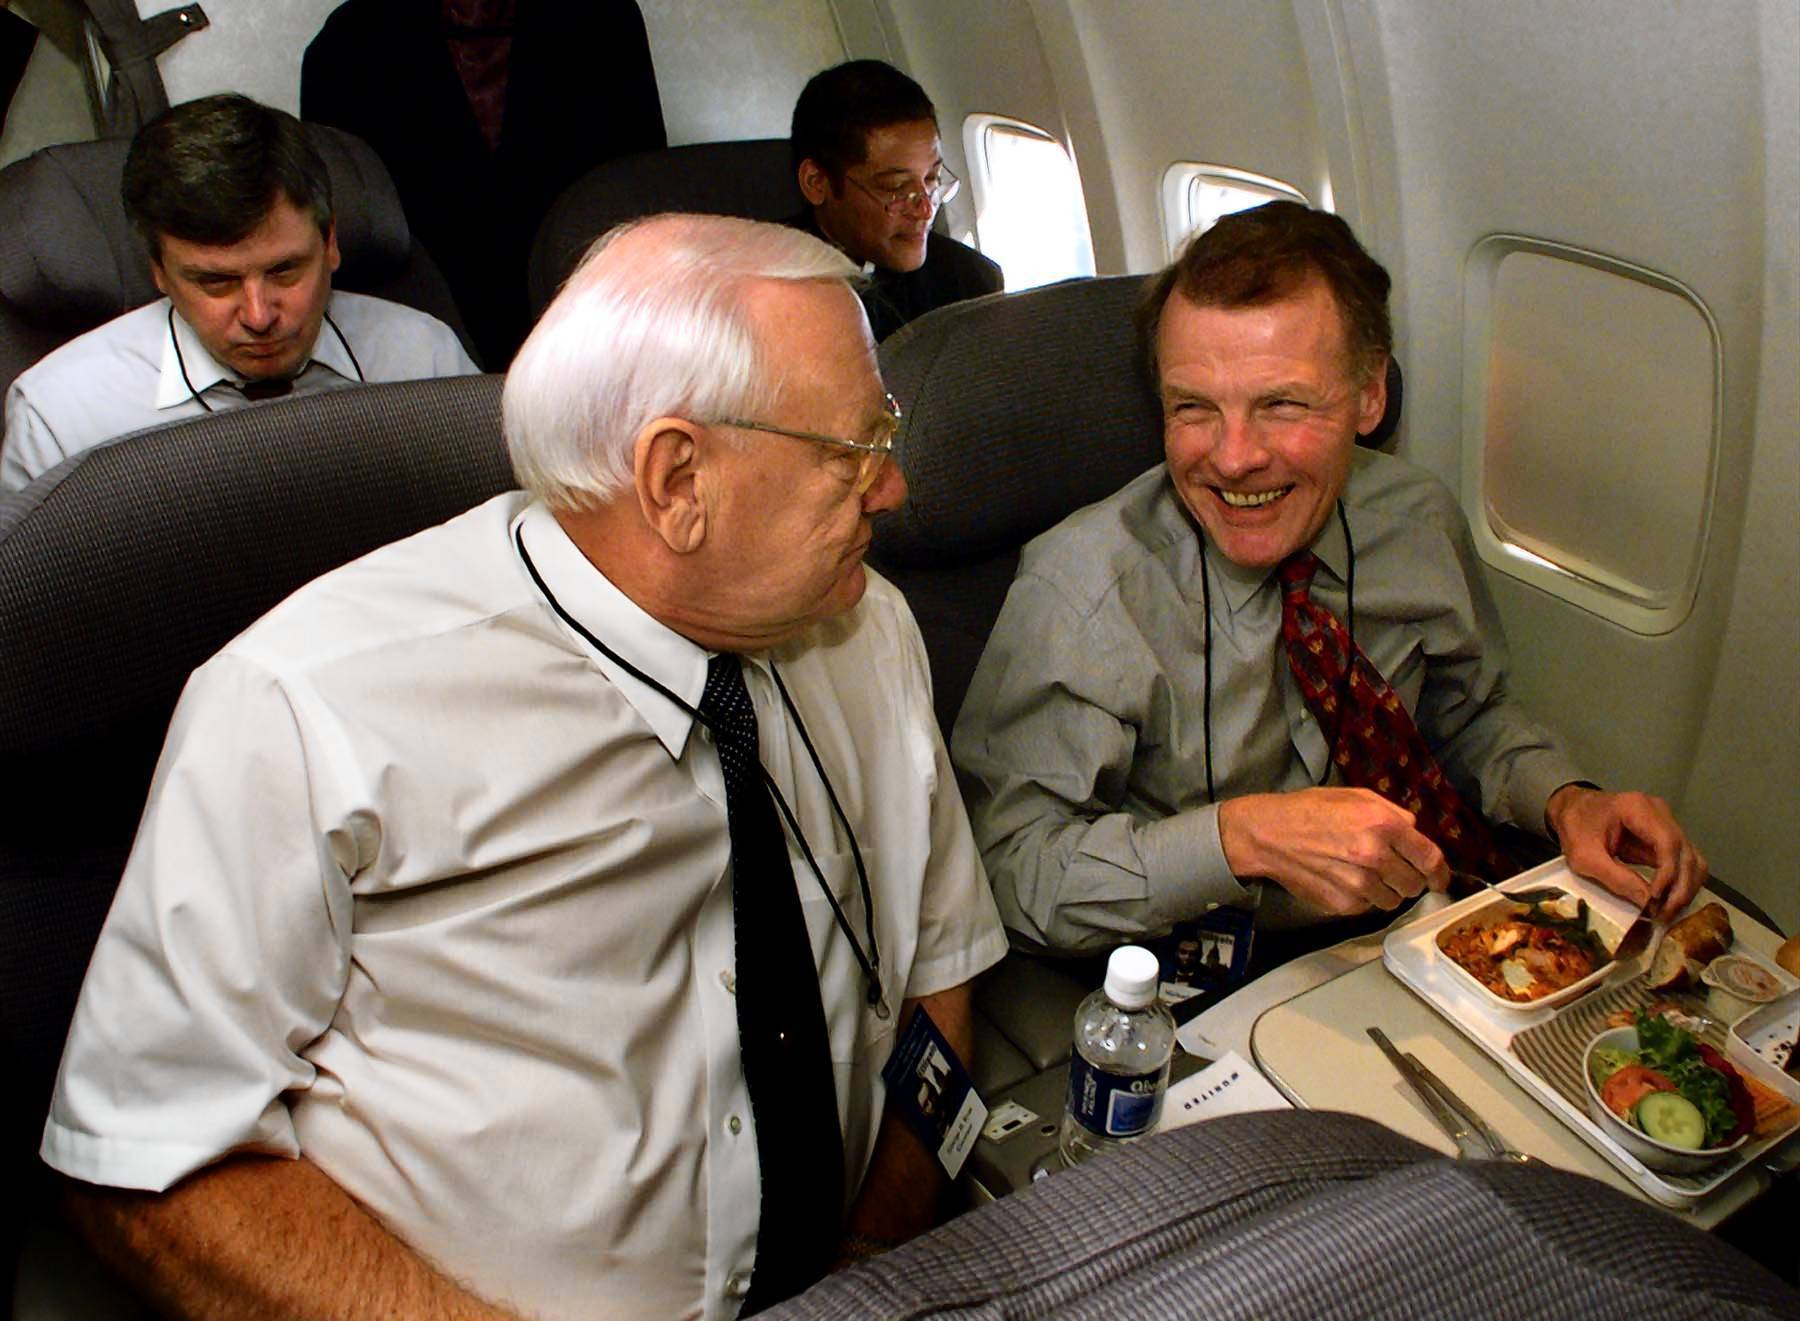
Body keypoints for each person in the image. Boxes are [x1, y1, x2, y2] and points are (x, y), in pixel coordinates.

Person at [41, 213, 1007, 1319]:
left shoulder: (864, 626)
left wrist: (880, 1250)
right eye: (856, 451)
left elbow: (942, 955)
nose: (893, 490)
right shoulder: (304, 706)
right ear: (678, 479)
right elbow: (149, 1164)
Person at [952, 201, 1707, 963]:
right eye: (1195, 408)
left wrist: (1566, 800)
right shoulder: (1084, 590)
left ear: (1370, 393)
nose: (1235, 457)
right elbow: (1014, 871)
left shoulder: (1416, 521)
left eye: (1281, 404)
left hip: (1425, 921)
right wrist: (1238, 838)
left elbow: (1466, 718)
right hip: (1210, 965)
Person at [1, 92, 478, 493]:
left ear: (329, 243)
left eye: (285, 270)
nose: (259, 315)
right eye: (216, 281)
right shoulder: (62, 416)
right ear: (159, 272)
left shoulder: (422, 357)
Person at [789, 59, 1003, 342]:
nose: (926, 210)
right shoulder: (756, 293)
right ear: (816, 182)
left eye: (932, 178)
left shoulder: (973, 282)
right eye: (896, 187)